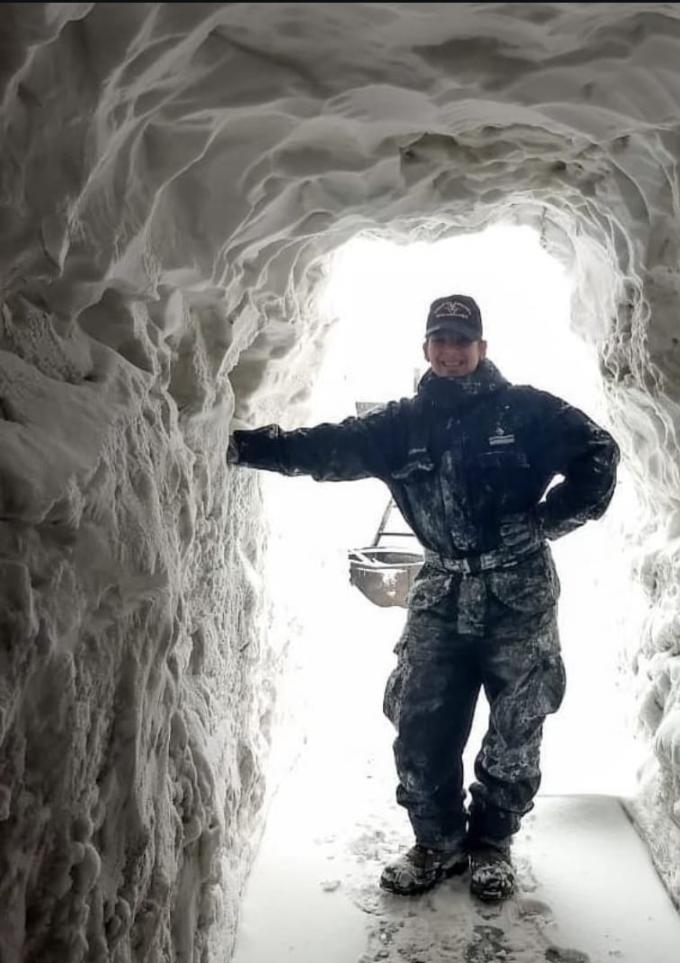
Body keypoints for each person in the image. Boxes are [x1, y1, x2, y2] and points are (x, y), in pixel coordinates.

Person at [227, 294, 619, 901]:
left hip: (520, 593)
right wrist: (239, 445)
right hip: (439, 591)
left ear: (481, 349)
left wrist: (549, 519)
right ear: (427, 349)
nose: (452, 351)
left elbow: (600, 451)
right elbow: (322, 447)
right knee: (418, 721)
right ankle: (435, 842)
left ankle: (492, 844)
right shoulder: (400, 424)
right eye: (441, 340)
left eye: (463, 341)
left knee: (518, 724)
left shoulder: (528, 411)